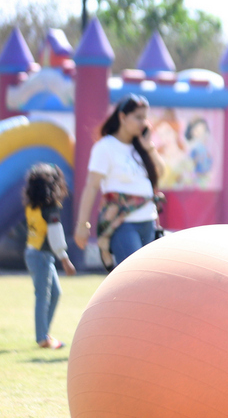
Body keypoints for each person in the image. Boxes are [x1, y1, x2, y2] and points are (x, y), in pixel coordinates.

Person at [74, 93, 165, 270]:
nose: (144, 123)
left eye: (145, 118)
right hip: (122, 224)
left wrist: (150, 149)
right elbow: (92, 187)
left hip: (148, 222)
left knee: (150, 281)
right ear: (122, 117)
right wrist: (82, 225)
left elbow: (160, 172)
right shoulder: (105, 147)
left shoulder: (140, 147)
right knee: (133, 277)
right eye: (138, 117)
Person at [23, 163, 76, 349]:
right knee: (43, 296)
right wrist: (65, 259)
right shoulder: (51, 207)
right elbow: (55, 236)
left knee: (54, 293)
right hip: (41, 255)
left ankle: (44, 333)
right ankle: (42, 338)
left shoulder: (32, 205)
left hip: (33, 253)